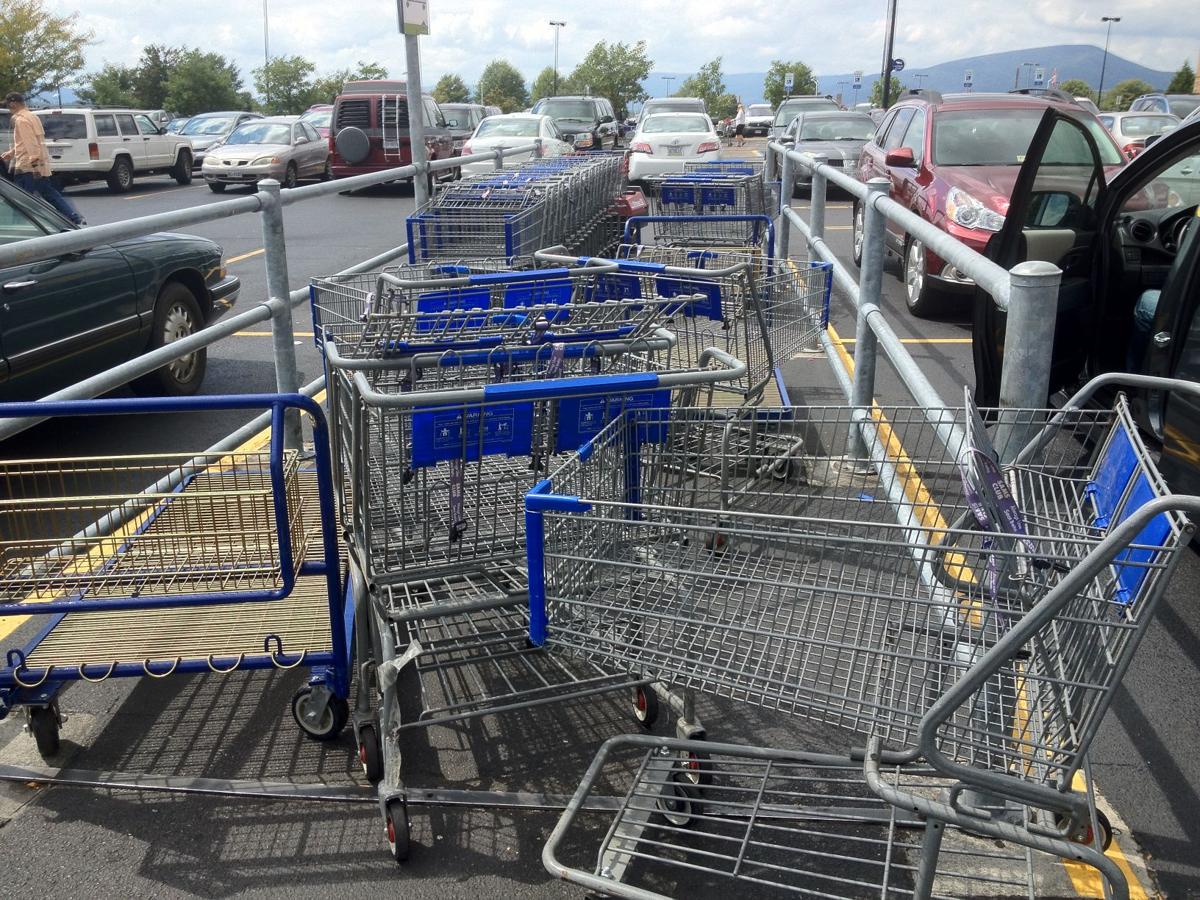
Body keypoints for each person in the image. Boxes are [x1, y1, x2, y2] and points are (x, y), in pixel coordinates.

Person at [1, 92, 86, 226]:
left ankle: (21, 226)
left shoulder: (21, 120)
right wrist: (11, 153)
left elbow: (31, 145)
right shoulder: (32, 117)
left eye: (9, 106)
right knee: (49, 193)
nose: (9, 109)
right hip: (37, 164)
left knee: (20, 199)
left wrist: (35, 167)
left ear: (13, 103)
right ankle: (74, 218)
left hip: (27, 166)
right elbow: (27, 142)